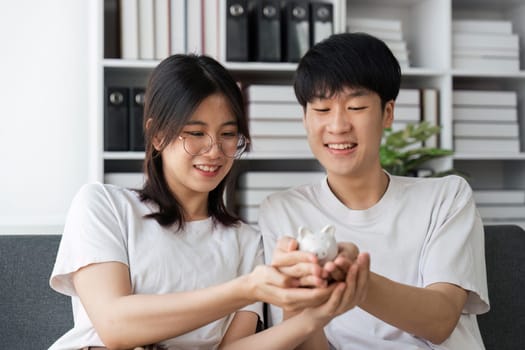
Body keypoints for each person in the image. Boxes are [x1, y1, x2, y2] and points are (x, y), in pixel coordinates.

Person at [49, 54, 364, 350]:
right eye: (195, 133)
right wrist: (245, 289)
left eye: (228, 134)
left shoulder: (246, 241)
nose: (214, 150)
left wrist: (315, 317)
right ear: (157, 134)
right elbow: (115, 326)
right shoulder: (105, 205)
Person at [260, 32, 489, 349]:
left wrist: (354, 280)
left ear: (388, 113)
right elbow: (306, 341)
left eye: (356, 107)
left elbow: (440, 320)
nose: (338, 126)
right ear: (305, 119)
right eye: (322, 110)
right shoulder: (282, 210)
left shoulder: (446, 197)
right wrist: (299, 300)